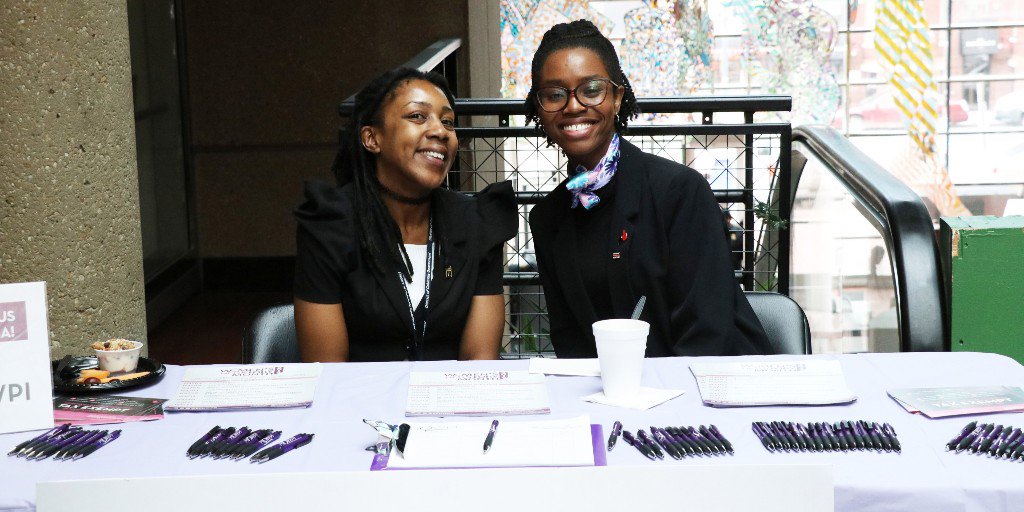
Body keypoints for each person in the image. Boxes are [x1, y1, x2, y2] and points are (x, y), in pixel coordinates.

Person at [526, 20, 771, 358]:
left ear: (616, 97)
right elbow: (571, 345)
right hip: (613, 399)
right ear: (539, 109)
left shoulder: (679, 192)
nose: (573, 106)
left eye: (592, 89)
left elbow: (707, 334)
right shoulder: (547, 218)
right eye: (554, 94)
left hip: (708, 391)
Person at [293, 68, 516, 362]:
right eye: (417, 116)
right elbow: (329, 373)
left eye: (448, 122)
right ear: (372, 138)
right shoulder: (330, 224)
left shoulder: (475, 222)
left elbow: (480, 362)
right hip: (358, 404)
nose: (440, 131)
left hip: (452, 402)